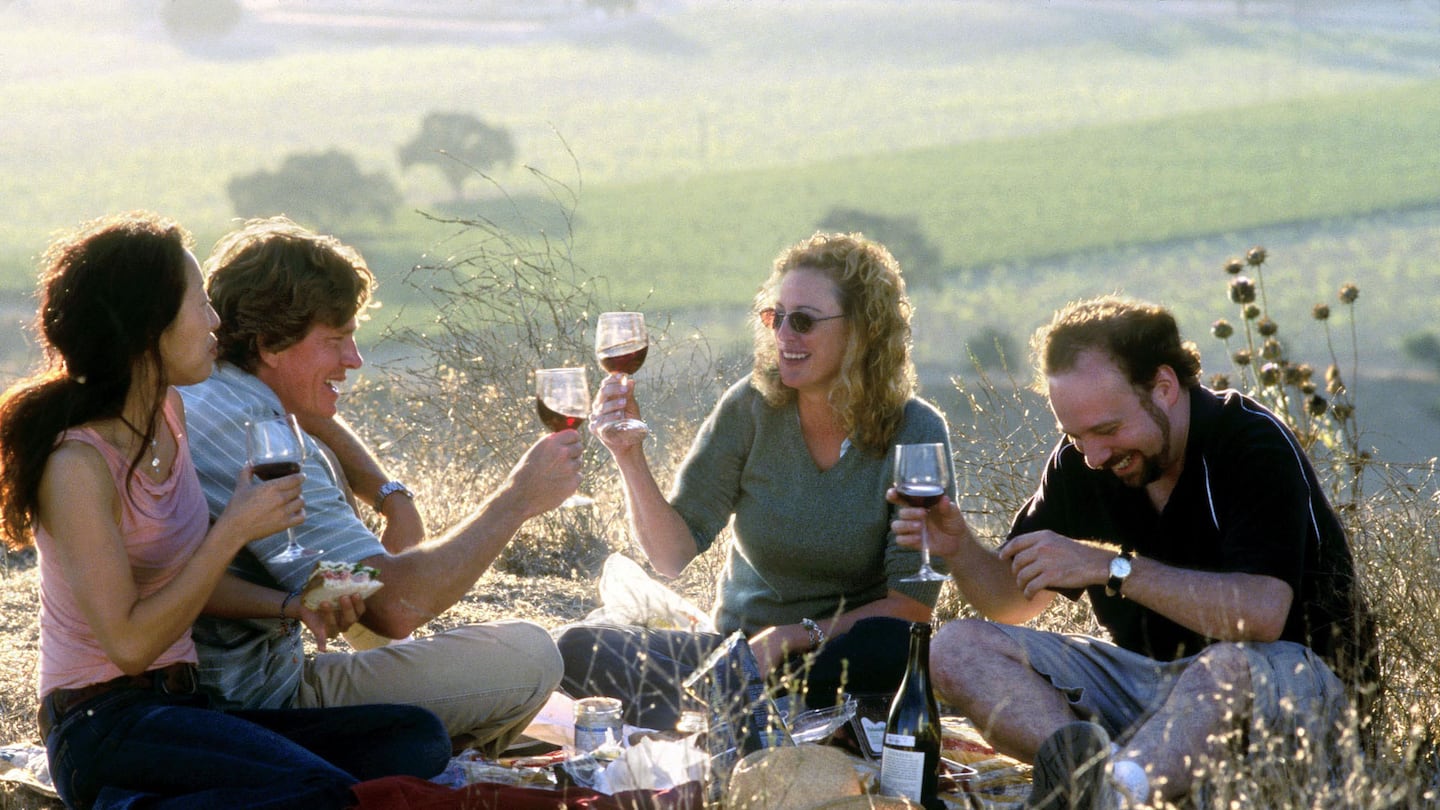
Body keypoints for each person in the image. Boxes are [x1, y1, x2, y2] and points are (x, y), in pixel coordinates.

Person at [0, 212, 450, 809]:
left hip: (186, 707)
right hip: (105, 723)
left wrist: (290, 606)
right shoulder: (77, 466)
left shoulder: (168, 417)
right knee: (325, 794)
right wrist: (235, 526)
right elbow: (131, 643)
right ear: (149, 325)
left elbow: (185, 584)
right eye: (200, 306)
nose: (216, 322)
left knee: (415, 739)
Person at [890, 296, 1378, 808]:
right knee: (955, 649)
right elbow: (1013, 604)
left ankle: (1115, 795)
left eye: (1107, 430)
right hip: (1154, 695)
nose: (1095, 455)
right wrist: (958, 546)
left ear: (1164, 387)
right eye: (1075, 436)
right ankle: (1103, 779)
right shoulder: (1084, 461)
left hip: (1287, 686)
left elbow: (1260, 617)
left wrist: (1109, 567)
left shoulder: (1251, 443)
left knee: (1225, 668)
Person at [179, 216, 580, 755]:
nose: (355, 359)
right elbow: (394, 607)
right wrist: (517, 499)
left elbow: (312, 416)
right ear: (271, 344)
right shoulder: (258, 436)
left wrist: (391, 495)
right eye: (337, 340)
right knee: (531, 656)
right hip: (264, 706)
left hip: (228, 691)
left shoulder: (212, 391)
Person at [558, 232, 955, 730]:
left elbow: (911, 607)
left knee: (892, 647)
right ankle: (745, 708)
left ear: (862, 331)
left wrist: (792, 635)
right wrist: (628, 455)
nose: (784, 334)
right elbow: (671, 556)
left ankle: (726, 712)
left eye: (804, 321)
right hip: (735, 654)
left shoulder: (916, 430)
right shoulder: (750, 407)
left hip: (841, 655)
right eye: (775, 317)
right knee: (576, 647)